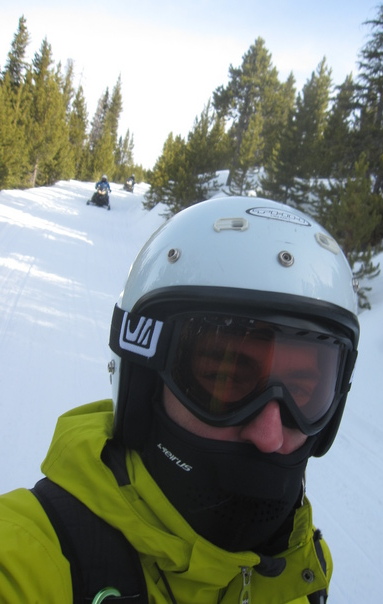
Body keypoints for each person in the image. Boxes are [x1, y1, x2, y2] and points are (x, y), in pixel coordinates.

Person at [0, 196, 360, 602]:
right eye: (224, 378)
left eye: (301, 390)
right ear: (144, 382)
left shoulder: (304, 570)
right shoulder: (27, 559)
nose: (269, 435)